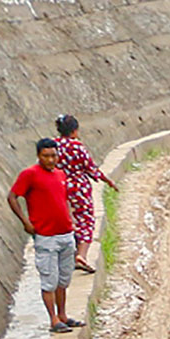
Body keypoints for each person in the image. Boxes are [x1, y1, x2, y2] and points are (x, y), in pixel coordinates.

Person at [8, 139, 81, 334]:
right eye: (46, 156)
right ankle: (53, 319)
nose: (50, 160)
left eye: (53, 156)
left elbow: (62, 199)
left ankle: (63, 315)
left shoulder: (60, 174)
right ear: (38, 156)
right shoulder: (30, 174)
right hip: (46, 236)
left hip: (65, 234)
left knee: (63, 279)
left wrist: (71, 219)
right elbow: (12, 196)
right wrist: (25, 222)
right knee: (49, 279)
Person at [51, 115, 116, 275]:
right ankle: (81, 255)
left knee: (67, 220)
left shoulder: (53, 146)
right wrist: (107, 180)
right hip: (78, 188)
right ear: (74, 131)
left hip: (59, 187)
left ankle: (66, 256)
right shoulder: (77, 146)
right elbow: (91, 168)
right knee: (85, 219)